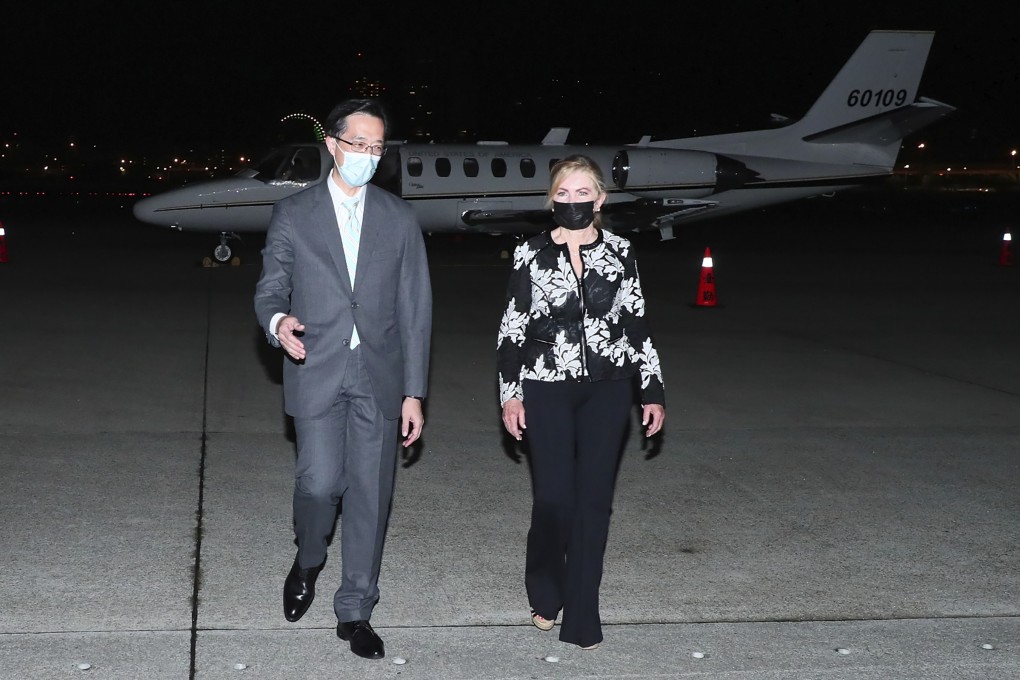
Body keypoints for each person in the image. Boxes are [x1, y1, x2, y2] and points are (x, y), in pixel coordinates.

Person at [254, 98, 432, 661]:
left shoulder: (398, 218)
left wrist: (414, 392)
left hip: (378, 373)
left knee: (370, 495)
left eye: (378, 147)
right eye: (359, 144)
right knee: (318, 483)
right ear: (332, 145)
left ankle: (355, 610)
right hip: (316, 364)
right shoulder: (294, 213)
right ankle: (309, 557)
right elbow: (271, 286)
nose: (369, 156)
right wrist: (278, 322)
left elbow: (415, 309)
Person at [497, 154, 665, 650]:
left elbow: (636, 321)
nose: (572, 201)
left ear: (600, 199)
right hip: (545, 383)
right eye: (563, 193)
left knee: (594, 504)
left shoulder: (621, 251)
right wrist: (510, 394)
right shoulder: (530, 252)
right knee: (554, 499)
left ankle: (583, 615)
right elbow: (511, 328)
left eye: (582, 193)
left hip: (609, 387)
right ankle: (545, 588)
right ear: (552, 199)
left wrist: (652, 390)